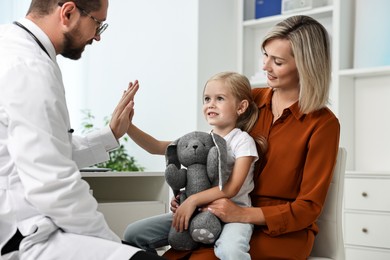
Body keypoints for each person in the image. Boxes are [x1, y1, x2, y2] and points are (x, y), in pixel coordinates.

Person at [124, 15, 340, 260]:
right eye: (265, 55)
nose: (265, 66)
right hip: (218, 211)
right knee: (170, 252)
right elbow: (203, 149)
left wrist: (241, 214)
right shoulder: (252, 99)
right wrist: (192, 197)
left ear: (306, 66)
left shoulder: (323, 124)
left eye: (277, 61)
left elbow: (308, 209)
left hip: (278, 231)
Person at [0, 1, 163, 259]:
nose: (97, 36)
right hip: (21, 235)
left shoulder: (13, 44)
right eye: (97, 23)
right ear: (67, 13)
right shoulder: (30, 67)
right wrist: (114, 247)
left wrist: (110, 134)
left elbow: (47, 151)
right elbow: (52, 184)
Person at [124, 72, 266, 260]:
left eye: (220, 98)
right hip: (197, 213)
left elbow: (231, 188)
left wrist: (192, 200)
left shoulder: (242, 141)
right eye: (207, 98)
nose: (210, 104)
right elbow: (156, 147)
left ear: (241, 107)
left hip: (232, 214)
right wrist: (127, 126)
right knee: (134, 234)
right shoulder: (201, 140)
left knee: (229, 251)